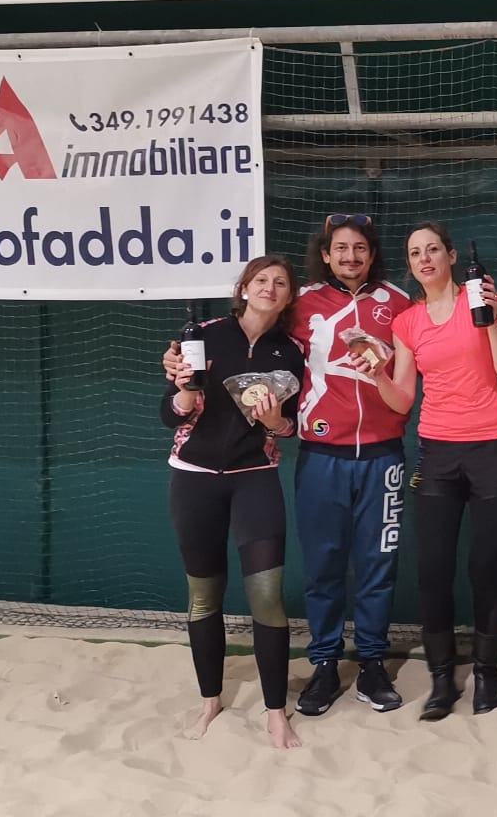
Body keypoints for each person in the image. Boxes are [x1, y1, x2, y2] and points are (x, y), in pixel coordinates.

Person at [165, 213, 414, 717]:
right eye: (340, 248)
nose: (350, 256)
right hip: (322, 454)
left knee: (378, 566)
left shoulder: (399, 303)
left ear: (372, 253)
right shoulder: (300, 305)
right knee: (322, 566)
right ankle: (324, 664)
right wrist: (177, 365)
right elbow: (239, 347)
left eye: (359, 248)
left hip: (383, 453)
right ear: (325, 254)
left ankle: (371, 663)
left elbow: (420, 358)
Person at [367, 221, 497, 720]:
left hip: (494, 447)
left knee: (486, 566)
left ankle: (486, 674)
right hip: (437, 451)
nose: (425, 258)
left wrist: (492, 319)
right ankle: (441, 679)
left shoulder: (484, 301)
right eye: (415, 253)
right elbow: (403, 398)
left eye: (433, 249)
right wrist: (378, 375)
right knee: (433, 570)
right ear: (410, 264)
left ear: (452, 256)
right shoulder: (407, 323)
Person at [160, 254, 306, 749]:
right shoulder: (202, 336)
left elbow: (291, 427)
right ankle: (210, 702)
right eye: (261, 279)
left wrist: (274, 423)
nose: (269, 287)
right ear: (244, 288)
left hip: (255, 479)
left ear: (288, 297)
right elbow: (169, 413)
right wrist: (183, 393)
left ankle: (276, 713)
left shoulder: (291, 352)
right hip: (194, 479)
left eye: (280, 282)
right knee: (204, 597)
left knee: (267, 596)